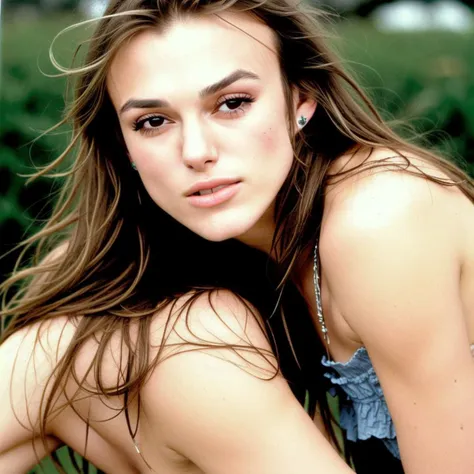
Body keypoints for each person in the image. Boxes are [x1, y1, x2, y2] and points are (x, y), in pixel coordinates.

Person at [1, 0, 473, 473]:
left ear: (300, 100)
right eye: (153, 122)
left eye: (232, 104)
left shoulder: (382, 218)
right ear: (124, 146)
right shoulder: (229, 250)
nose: (196, 151)